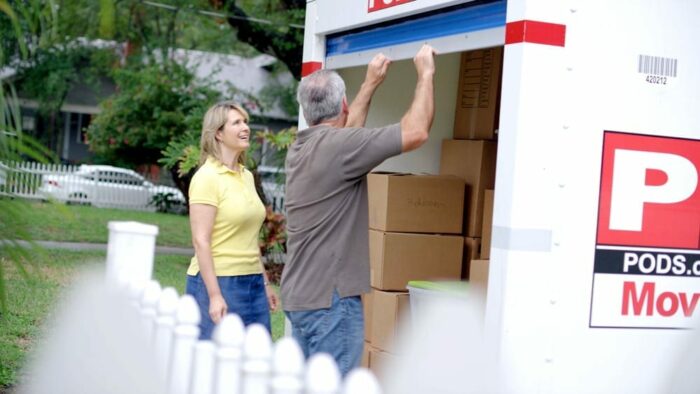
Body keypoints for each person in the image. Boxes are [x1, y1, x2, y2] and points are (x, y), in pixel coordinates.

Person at [281, 44, 437, 375]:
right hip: (331, 305)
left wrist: (370, 84)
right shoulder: (338, 148)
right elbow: (416, 131)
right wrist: (425, 73)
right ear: (342, 104)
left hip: (303, 299)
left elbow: (347, 134)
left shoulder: (301, 148)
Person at [186, 101, 279, 340]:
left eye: (245, 121)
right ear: (218, 133)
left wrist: (265, 283)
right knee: (215, 363)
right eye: (236, 123)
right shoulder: (207, 177)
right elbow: (201, 241)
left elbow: (249, 236)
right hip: (219, 280)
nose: (245, 127)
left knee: (255, 360)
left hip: (253, 282)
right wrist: (215, 295)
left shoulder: (246, 175)